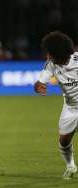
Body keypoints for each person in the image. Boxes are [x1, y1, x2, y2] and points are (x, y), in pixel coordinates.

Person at [34, 31, 78, 179]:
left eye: (51, 54)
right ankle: (71, 166)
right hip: (71, 108)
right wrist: (39, 86)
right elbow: (39, 82)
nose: (49, 57)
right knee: (64, 142)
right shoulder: (51, 65)